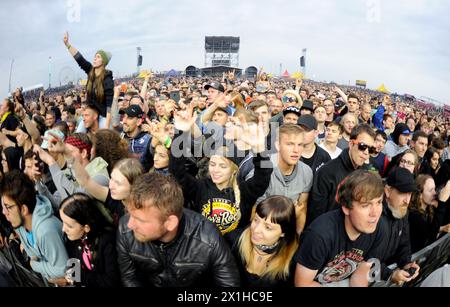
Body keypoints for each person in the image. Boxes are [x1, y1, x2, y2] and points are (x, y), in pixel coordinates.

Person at [116, 173, 240, 287]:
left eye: (140, 220)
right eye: (130, 214)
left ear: (170, 223)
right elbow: (130, 279)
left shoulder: (208, 239)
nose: (130, 225)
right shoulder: (125, 229)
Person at [170, 105, 272, 235]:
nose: (216, 170)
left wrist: (259, 150)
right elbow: (177, 172)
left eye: (223, 166)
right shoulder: (200, 187)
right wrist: (180, 132)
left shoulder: (244, 191)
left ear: (234, 170)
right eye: (213, 164)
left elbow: (263, 177)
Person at [294, 170, 386, 287]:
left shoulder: (379, 228)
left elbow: (361, 273)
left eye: (379, 202)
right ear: (346, 208)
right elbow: (302, 284)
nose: (375, 213)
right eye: (365, 205)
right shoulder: (320, 235)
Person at [0, 171, 68, 281]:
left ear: (23, 209)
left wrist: (35, 265)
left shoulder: (46, 230)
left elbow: (64, 270)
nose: (4, 212)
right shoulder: (20, 225)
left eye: (7, 207)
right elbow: (32, 255)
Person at [307, 124, 376, 226]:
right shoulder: (326, 172)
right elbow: (316, 216)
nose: (366, 153)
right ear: (351, 144)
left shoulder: (365, 174)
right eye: (362, 146)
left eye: (370, 150)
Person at [227, 196, 299, 287]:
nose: (256, 230)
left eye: (268, 227)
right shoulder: (233, 240)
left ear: (283, 233)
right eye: (256, 220)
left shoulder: (293, 260)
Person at [59, 193, 120, 287]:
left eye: (69, 226)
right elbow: (72, 265)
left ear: (86, 227)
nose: (63, 229)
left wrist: (78, 276)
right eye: (63, 222)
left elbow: (111, 281)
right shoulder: (72, 239)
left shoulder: (107, 241)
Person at [64, 32, 113, 130]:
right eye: (95, 56)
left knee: (104, 139)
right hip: (90, 113)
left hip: (103, 116)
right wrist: (67, 45)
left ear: (103, 62)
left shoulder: (107, 79)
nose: (95, 58)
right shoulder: (91, 71)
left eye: (98, 57)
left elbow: (109, 106)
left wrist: (107, 126)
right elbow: (80, 59)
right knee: (78, 134)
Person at [380, 167, 420, 285]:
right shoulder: (374, 214)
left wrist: (407, 264)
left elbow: (404, 245)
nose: (407, 201)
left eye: (410, 194)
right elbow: (364, 259)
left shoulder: (403, 212)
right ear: (387, 191)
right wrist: (389, 275)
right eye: (403, 193)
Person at [408, 176, 450, 253]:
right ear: (420, 195)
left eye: (434, 189)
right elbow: (431, 234)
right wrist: (442, 203)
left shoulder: (429, 209)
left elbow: (430, 228)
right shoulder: (413, 215)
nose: (434, 193)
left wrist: (442, 228)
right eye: (431, 190)